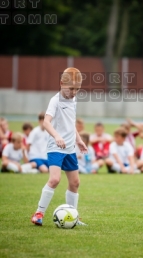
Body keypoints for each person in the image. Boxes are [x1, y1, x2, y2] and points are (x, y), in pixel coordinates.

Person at [31, 67, 88, 226]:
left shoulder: (74, 100)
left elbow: (70, 123)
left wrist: (78, 140)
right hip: (56, 147)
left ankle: (73, 217)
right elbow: (46, 122)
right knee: (55, 179)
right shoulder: (55, 100)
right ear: (61, 83)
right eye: (71, 88)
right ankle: (38, 213)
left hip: (70, 148)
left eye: (77, 89)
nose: (74, 92)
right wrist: (56, 136)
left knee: (75, 183)